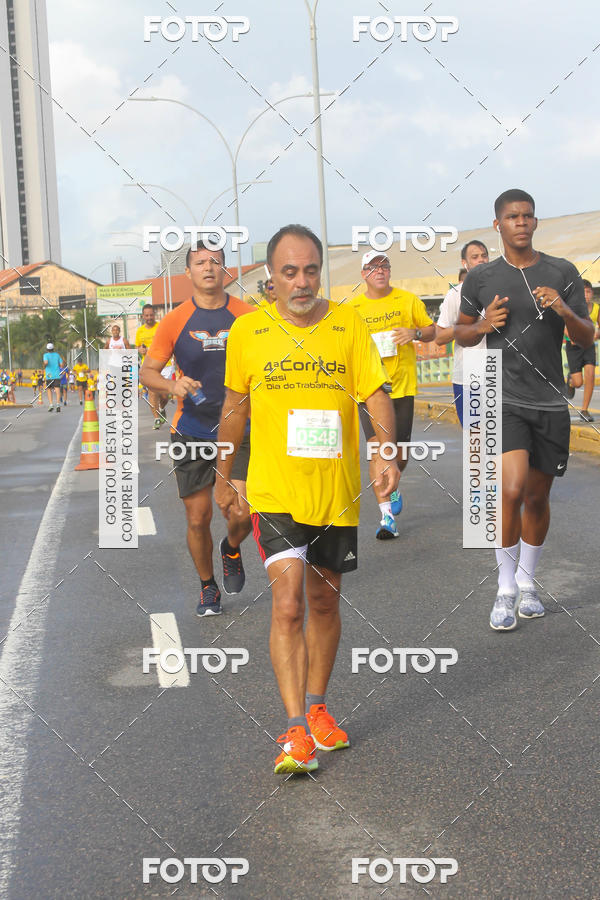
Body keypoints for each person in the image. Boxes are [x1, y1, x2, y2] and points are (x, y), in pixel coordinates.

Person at [215, 225, 400, 775]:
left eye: (311, 270)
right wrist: (225, 475)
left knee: (324, 601)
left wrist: (383, 453)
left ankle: (318, 706)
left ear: (322, 271)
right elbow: (235, 405)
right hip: (274, 489)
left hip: (336, 492)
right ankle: (295, 728)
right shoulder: (249, 332)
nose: (301, 282)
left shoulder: (347, 327)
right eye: (289, 272)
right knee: (289, 602)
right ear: (269, 277)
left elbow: (375, 394)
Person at [455, 189, 594, 631]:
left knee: (537, 496)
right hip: (503, 397)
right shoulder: (480, 279)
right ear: (498, 225)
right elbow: (460, 335)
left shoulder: (562, 272)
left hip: (551, 400)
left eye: (528, 216)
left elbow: (587, 335)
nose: (521, 222)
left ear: (535, 223)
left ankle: (529, 582)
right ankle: (505, 588)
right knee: (509, 490)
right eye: (512, 216)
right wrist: (481, 325)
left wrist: (564, 308)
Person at [141, 241, 254, 616]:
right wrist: (172, 386)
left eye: (216, 262)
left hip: (241, 429)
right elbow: (147, 372)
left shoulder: (247, 316)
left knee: (240, 512)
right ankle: (208, 586)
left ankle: (232, 548)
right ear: (188, 272)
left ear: (225, 270)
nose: (209, 267)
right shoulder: (174, 321)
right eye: (200, 262)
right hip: (191, 429)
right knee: (198, 516)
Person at [350, 250, 434, 539]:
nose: (380, 271)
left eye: (384, 266)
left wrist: (414, 334)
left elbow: (432, 330)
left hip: (402, 386)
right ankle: (387, 518)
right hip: (369, 389)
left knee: (400, 455)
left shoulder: (407, 300)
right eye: (373, 268)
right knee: (378, 450)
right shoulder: (354, 308)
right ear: (363, 274)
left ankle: (394, 480)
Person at [435, 241, 490, 425]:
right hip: (468, 373)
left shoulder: (501, 289)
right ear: (465, 263)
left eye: (484, 256)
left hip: (499, 371)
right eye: (475, 257)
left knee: (500, 440)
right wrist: (469, 325)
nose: (481, 260)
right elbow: (439, 337)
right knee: (474, 440)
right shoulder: (455, 294)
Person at [565, 279, 599, 422]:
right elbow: (564, 327)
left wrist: (596, 334)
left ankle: (584, 411)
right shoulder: (571, 307)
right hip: (573, 346)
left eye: (588, 291)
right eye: (583, 291)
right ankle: (571, 381)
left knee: (590, 374)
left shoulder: (596, 308)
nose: (586, 294)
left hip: (588, 345)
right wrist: (572, 336)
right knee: (579, 382)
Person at [135, 304, 167, 430]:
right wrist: (140, 350)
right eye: (146, 315)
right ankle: (157, 418)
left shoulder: (161, 327)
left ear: (155, 315)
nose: (149, 317)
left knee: (165, 395)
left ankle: (162, 408)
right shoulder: (140, 331)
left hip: (165, 364)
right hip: (148, 365)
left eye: (151, 315)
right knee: (153, 393)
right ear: (143, 316)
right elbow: (137, 346)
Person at [43, 343, 65, 412]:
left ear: (47, 349)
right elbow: (61, 365)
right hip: (56, 375)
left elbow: (46, 362)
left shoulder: (45, 355)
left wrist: (44, 365)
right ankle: (58, 404)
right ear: (53, 349)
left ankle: (51, 404)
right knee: (57, 389)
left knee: (49, 389)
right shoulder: (57, 355)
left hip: (49, 375)